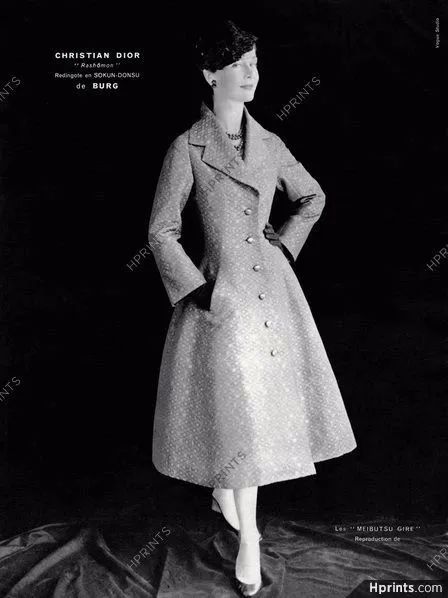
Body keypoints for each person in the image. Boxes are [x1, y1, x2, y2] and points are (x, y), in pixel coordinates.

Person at [147, 19, 357, 597]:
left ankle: (232, 504)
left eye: (255, 64)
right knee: (239, 411)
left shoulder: (271, 144)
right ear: (209, 73)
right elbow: (161, 231)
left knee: (261, 412)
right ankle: (250, 541)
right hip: (223, 297)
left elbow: (312, 196)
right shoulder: (187, 146)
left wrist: (283, 243)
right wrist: (197, 289)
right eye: (237, 65)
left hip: (276, 296)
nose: (250, 75)